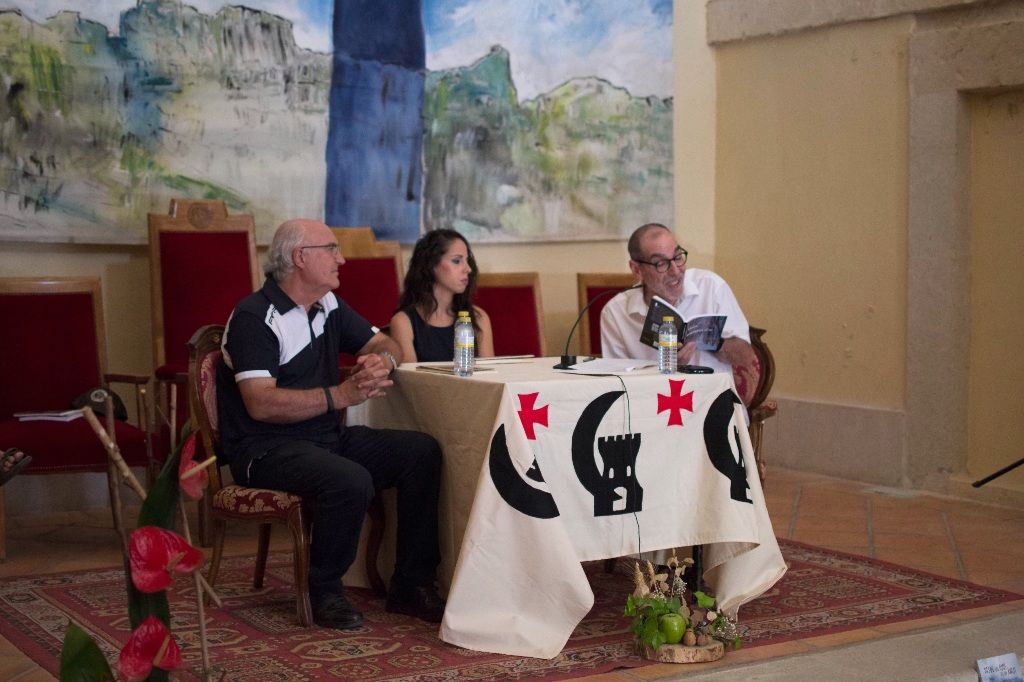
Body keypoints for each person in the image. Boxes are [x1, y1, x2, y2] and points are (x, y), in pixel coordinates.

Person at [217, 219, 445, 630]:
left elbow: (384, 340)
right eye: (331, 249)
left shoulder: (328, 306)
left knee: (421, 452)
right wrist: (341, 395)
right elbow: (260, 404)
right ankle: (324, 590)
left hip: (324, 438)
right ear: (299, 258)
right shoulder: (255, 316)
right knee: (350, 479)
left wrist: (384, 359)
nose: (341, 258)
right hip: (264, 449)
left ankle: (411, 584)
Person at [600, 222, 755, 374]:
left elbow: (746, 357)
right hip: (650, 397)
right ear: (637, 269)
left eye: (678, 257)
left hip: (712, 396)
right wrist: (667, 367)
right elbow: (618, 381)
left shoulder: (711, 287)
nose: (675, 271)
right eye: (661, 263)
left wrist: (710, 341)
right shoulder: (615, 312)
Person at [389, 229, 495, 362]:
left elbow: (490, 379)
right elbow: (410, 381)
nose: (468, 269)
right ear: (431, 265)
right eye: (457, 261)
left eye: (467, 261)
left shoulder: (479, 317)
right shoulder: (403, 322)